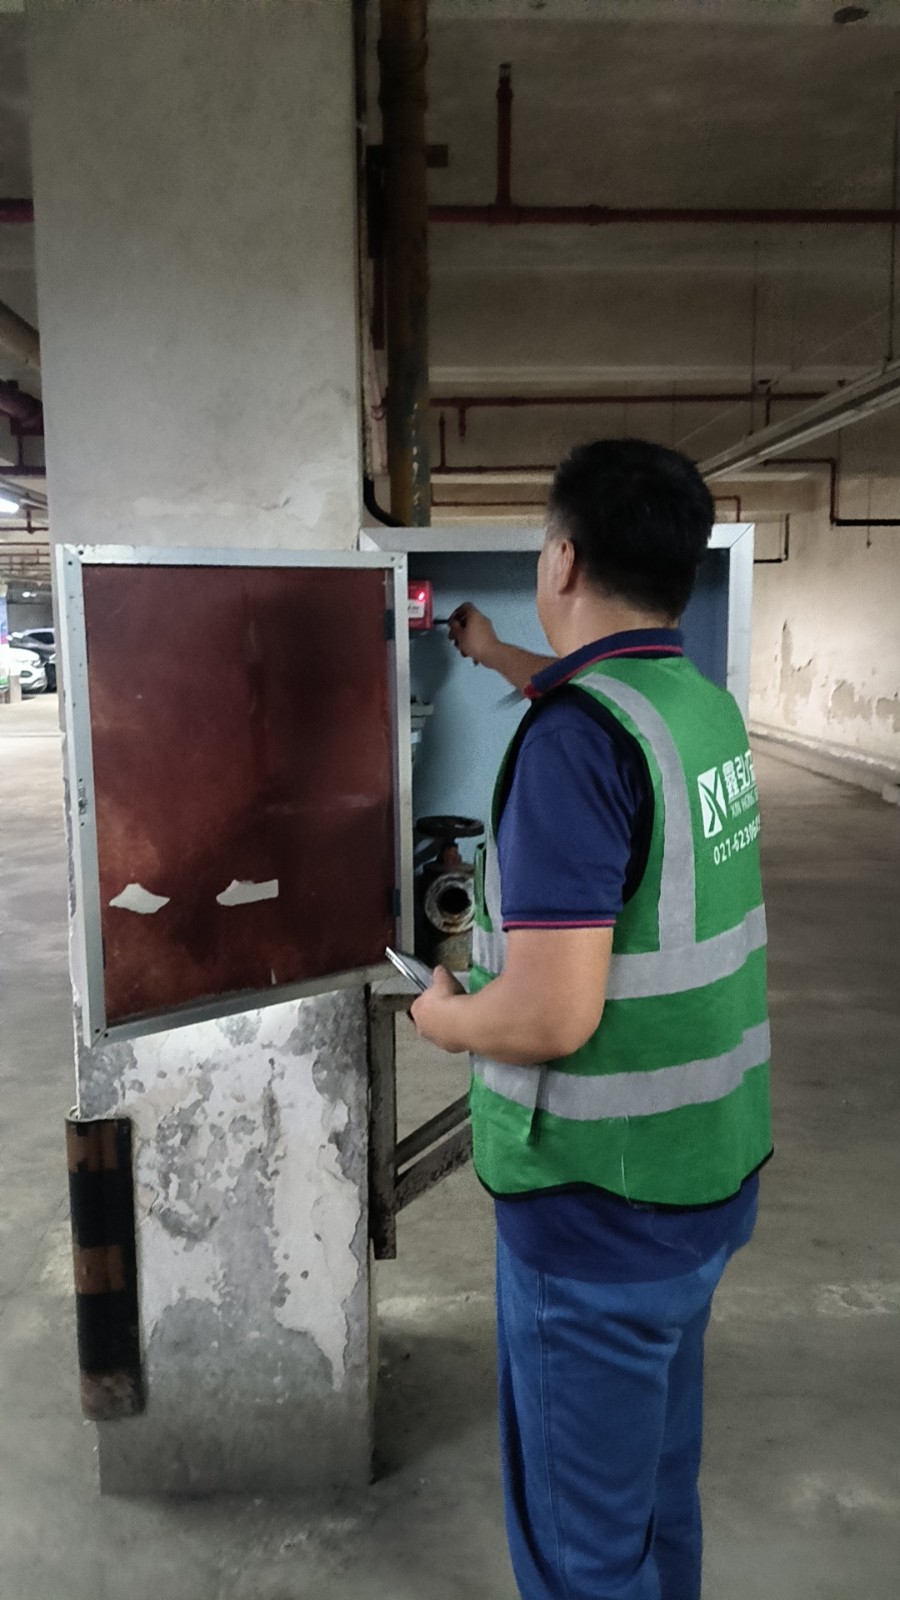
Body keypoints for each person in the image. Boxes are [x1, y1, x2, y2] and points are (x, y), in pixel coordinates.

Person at [410, 438, 772, 1600]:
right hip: (702, 1177)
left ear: (561, 559)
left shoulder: (574, 742)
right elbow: (587, 707)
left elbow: (553, 1013)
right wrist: (491, 654)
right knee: (654, 1503)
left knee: (582, 1556)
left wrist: (446, 1018)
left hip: (597, 1209)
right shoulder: (696, 706)